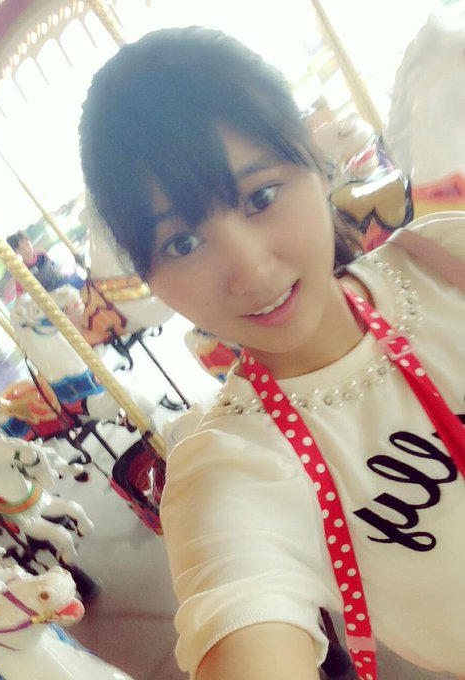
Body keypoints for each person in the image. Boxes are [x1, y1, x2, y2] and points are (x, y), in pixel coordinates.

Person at [79, 27, 465, 680]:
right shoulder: (228, 466)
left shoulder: (447, 259)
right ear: (149, 277)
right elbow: (236, 605)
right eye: (181, 243)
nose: (252, 271)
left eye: (261, 197)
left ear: (315, 163)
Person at [6, 229, 86, 294]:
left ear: (30, 242)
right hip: (51, 295)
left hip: (62, 281)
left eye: (27, 244)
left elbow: (53, 268)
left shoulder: (41, 254)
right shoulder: (21, 273)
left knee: (81, 281)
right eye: (21, 250)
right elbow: (20, 298)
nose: (27, 250)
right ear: (16, 253)